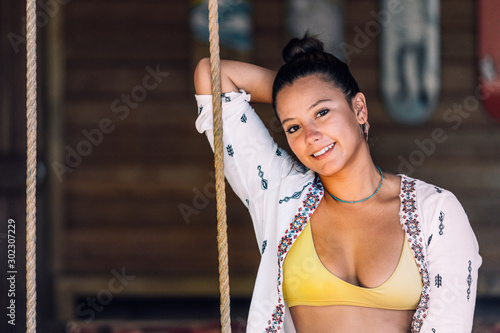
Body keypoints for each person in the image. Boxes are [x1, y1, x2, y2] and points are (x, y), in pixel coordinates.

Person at [193, 34, 482, 333]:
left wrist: (316, 84)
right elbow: (211, 75)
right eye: (293, 127)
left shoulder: (435, 211)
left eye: (322, 112)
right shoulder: (279, 192)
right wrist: (294, 89)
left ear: (359, 109)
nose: (311, 136)